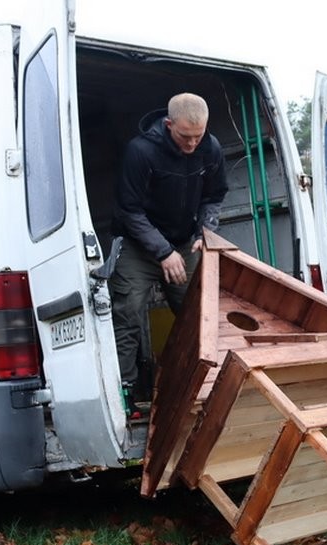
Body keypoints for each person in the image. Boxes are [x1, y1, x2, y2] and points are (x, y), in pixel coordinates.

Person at [110, 93, 228, 412]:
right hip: (139, 245)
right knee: (128, 313)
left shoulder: (211, 148)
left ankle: (207, 387)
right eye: (184, 137)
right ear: (168, 124)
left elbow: (214, 197)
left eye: (198, 136)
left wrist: (207, 230)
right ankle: (125, 394)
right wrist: (162, 252)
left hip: (183, 243)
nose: (191, 144)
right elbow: (129, 210)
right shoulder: (141, 152)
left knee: (198, 314)